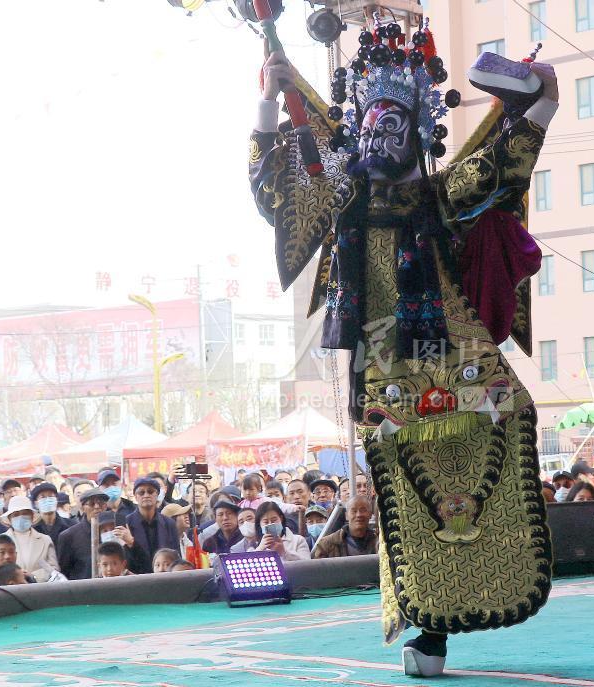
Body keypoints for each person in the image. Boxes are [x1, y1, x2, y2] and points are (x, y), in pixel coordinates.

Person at [253, 33, 559, 676]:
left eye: (393, 126)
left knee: (493, 449)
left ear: (418, 132)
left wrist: (546, 100)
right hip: (386, 376)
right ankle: (430, 628)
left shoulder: (440, 196)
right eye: (370, 127)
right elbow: (274, 196)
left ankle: (453, 614)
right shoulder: (343, 203)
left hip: (457, 361)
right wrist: (269, 103)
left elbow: (504, 166)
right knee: (407, 499)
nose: (378, 139)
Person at [122, 477, 180, 574]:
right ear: (135, 496)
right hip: (136, 577)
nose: (146, 495)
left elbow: (176, 556)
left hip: (165, 577)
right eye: (141, 492)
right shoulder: (127, 523)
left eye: (150, 491)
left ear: (157, 495)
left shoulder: (169, 523)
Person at [1, 495, 59, 582]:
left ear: (32, 516)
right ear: (9, 519)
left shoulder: (45, 540)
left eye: (25, 513)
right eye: (16, 514)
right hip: (10, 587)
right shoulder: (0, 540)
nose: (20, 517)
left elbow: (54, 568)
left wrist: (33, 576)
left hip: (40, 587)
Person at [57, 488, 109, 580]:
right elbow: (64, 572)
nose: (97, 507)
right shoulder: (68, 536)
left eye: (101, 503)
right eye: (92, 504)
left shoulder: (114, 531)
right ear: (83, 508)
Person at [31, 482, 72, 547]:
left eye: (50, 496)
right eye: (42, 497)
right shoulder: (32, 530)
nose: (47, 500)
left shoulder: (71, 525)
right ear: (36, 503)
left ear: (56, 500)